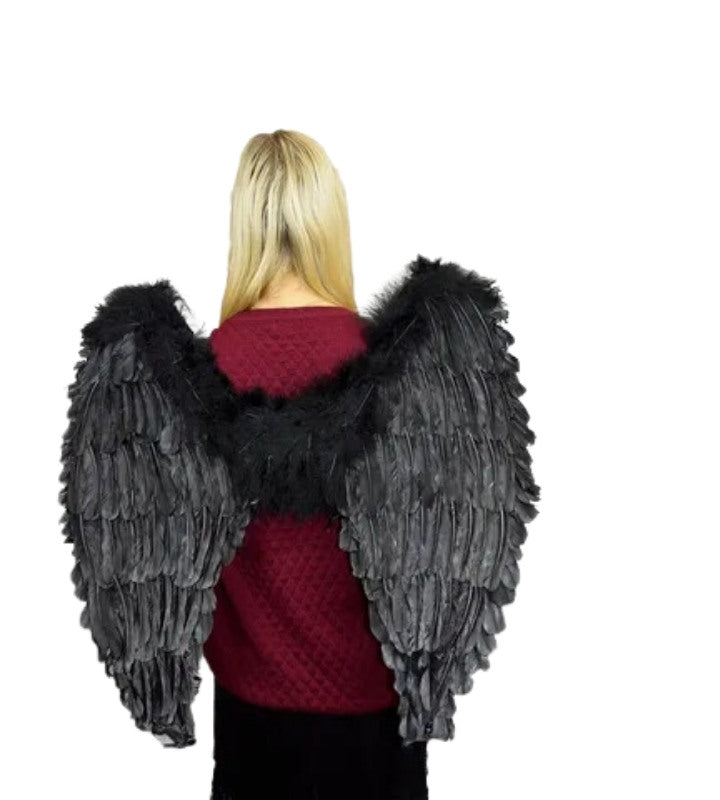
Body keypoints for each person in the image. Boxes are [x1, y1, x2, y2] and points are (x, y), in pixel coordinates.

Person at [59, 129, 541, 800]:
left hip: (254, 738)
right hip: (380, 742)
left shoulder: (183, 375)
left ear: (244, 228)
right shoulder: (407, 371)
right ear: (330, 223)